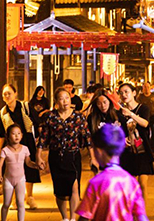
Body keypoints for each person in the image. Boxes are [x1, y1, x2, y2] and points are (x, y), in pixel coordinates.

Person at [38, 87, 97, 221]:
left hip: (73, 156)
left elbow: (87, 137)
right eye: (61, 99)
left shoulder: (78, 117)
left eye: (67, 98)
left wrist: (92, 157)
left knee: (74, 186)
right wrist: (38, 156)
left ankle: (72, 218)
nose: (65, 101)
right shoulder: (50, 117)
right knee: (59, 191)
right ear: (56, 101)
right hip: (56, 157)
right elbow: (43, 137)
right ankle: (65, 217)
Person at [76, 124, 148, 221]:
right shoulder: (131, 182)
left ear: (99, 151)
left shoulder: (96, 183)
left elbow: (84, 216)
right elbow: (141, 216)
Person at [0, 84, 40, 210]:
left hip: (27, 141)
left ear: (15, 94)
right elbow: (1, 134)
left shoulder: (25, 107)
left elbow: (37, 123)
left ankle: (30, 197)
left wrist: (39, 141)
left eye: (9, 93)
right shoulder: (2, 113)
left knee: (29, 169)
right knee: (13, 170)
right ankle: (16, 200)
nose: (7, 96)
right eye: (4, 94)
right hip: (11, 145)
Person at [118, 82, 154, 200]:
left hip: (142, 150)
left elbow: (145, 123)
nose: (124, 95)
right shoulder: (119, 113)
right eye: (121, 93)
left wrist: (131, 114)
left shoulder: (143, 108)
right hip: (128, 151)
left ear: (134, 93)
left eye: (126, 92)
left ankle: (142, 209)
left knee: (143, 184)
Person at [0, 124, 42, 221]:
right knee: (6, 204)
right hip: (8, 180)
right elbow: (0, 164)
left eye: (18, 133)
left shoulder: (25, 149)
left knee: (20, 203)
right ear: (8, 136)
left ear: (22, 135)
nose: (16, 136)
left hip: (21, 179)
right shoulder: (5, 150)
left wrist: (36, 166)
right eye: (13, 134)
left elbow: (28, 162)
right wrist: (0, 175)